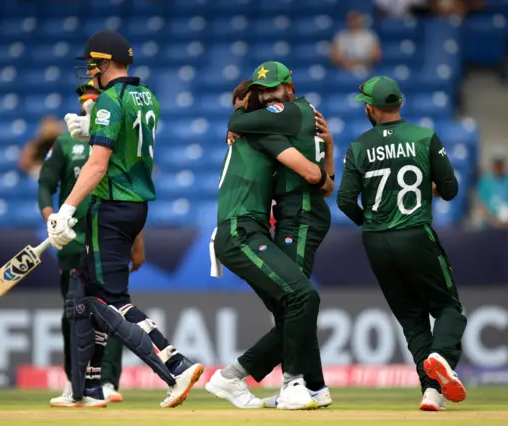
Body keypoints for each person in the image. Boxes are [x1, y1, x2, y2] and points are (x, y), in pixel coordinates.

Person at [47, 30, 203, 408]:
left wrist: (65, 210)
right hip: (135, 206)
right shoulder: (146, 96)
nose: (89, 71)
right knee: (87, 292)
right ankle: (89, 387)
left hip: (111, 206)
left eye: (92, 64)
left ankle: (175, 364)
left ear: (104, 62)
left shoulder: (109, 100)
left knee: (109, 298)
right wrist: (91, 131)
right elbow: (127, 143)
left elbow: (99, 165)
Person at [337, 76, 467, 411]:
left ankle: (431, 393)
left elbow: (345, 201)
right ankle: (441, 356)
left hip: (376, 241)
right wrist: (431, 187)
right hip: (415, 232)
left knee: (412, 320)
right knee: (449, 309)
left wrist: (371, 221)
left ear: (370, 108)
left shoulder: (359, 146)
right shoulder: (424, 138)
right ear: (400, 104)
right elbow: (451, 190)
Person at [206, 79, 334, 410]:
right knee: (303, 297)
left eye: (240, 103)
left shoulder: (252, 133)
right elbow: (310, 173)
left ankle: (315, 386)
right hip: (241, 229)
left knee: (293, 309)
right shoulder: (263, 134)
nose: (237, 110)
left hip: (246, 230)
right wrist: (323, 177)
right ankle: (249, 378)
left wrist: (327, 146)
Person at [39, 80, 127, 405]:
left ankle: (107, 381)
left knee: (109, 309)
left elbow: (128, 190)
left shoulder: (115, 140)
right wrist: (52, 218)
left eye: (95, 96)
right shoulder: (64, 142)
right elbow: (45, 186)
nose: (88, 100)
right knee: (73, 312)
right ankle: (73, 379)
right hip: (72, 240)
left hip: (107, 233)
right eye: (85, 96)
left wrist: (138, 239)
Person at [476, 151, 508, 227]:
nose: (499, 166)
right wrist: (492, 220)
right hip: (489, 227)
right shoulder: (485, 182)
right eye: (497, 163)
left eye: (501, 163)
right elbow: (481, 203)